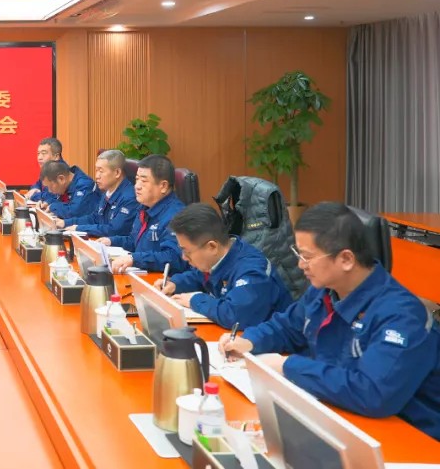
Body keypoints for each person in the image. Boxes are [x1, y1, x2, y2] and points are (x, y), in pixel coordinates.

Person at [221, 203, 440, 440]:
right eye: (298, 254)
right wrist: (250, 341)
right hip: (341, 415)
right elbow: (287, 326)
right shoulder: (326, 289)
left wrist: (287, 366)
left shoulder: (401, 316)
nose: (300, 265)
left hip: (409, 436)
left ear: (346, 259)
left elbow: (373, 393)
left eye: (307, 257)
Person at [155, 203, 292, 329]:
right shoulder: (218, 258)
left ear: (212, 247)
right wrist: (175, 284)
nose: (183, 257)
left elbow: (235, 315)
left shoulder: (251, 270)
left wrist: (194, 300)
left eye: (187, 251)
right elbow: (200, 276)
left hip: (272, 344)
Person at [97, 154, 186, 274]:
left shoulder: (176, 216)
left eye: (144, 181)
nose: (137, 186)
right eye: (137, 179)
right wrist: (111, 241)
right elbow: (134, 241)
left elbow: (173, 257)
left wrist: (134, 259)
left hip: (160, 281)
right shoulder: (144, 207)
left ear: (163, 186)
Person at [59, 149, 139, 237]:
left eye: (101, 171)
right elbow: (94, 218)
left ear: (117, 173)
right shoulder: (107, 191)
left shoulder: (129, 198)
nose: (97, 176)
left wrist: (79, 228)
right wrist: (66, 223)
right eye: (96, 170)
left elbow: (114, 230)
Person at [28, 137, 63, 202]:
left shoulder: (62, 173)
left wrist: (33, 195)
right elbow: (38, 184)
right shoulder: (48, 169)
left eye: (43, 153)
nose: (39, 157)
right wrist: (35, 189)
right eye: (38, 153)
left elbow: (52, 197)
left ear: (56, 156)